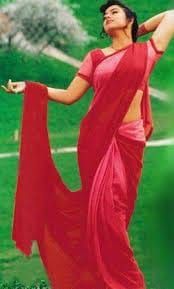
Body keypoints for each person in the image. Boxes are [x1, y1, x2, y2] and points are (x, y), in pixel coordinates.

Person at [2, 1, 174, 288]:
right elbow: (71, 95)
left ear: (129, 19)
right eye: (105, 14)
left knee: (113, 218)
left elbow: (171, 14)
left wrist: (136, 32)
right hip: (96, 144)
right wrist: (31, 87)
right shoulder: (95, 57)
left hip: (128, 145)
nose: (107, 15)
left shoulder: (144, 53)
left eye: (114, 12)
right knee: (104, 218)